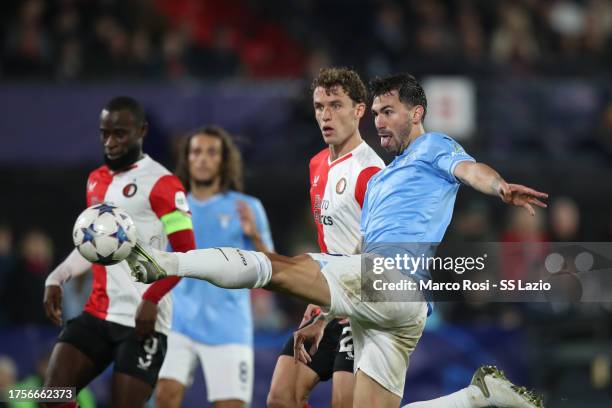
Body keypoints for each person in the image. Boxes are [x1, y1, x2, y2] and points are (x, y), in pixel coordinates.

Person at [127, 74, 548, 408]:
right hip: (400, 304)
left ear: (417, 113)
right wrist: (327, 315)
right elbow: (361, 248)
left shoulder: (434, 147)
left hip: (387, 279)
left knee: (278, 268)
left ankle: (170, 264)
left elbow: (469, 170)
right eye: (378, 113)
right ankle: (476, 397)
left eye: (389, 112)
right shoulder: (385, 177)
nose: (380, 122)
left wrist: (500, 187)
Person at [43, 96, 196, 408]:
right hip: (97, 314)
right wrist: (56, 278)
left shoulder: (164, 184)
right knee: (51, 396)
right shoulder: (95, 180)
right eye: (104, 134)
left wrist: (152, 299)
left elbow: (186, 253)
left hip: (143, 322)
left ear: (141, 131)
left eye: (119, 134)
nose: (110, 142)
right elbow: (91, 247)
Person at [267, 67, 384, 408]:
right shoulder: (317, 163)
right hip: (330, 299)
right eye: (319, 107)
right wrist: (317, 298)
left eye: (336, 105)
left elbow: (372, 255)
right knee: (281, 398)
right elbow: (328, 245)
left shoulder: (371, 173)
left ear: (359, 110)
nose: (325, 115)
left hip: (362, 307)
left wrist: (328, 313)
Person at [155, 125, 274, 408]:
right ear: (187, 159)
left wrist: (255, 236)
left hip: (229, 326)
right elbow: (161, 265)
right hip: (179, 324)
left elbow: (274, 268)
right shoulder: (173, 209)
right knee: (164, 398)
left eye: (211, 152)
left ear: (223, 160)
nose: (203, 158)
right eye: (196, 151)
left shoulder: (247, 207)